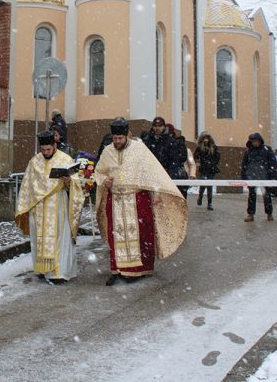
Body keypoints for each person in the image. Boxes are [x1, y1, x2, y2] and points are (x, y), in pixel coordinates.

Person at [95, 119, 188, 286]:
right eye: (115, 139)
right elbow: (99, 172)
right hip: (115, 199)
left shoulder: (139, 149)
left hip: (137, 198)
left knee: (141, 234)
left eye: (120, 139)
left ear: (127, 136)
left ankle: (138, 270)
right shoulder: (107, 150)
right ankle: (117, 269)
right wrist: (104, 181)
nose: (117, 142)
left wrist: (156, 192)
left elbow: (152, 172)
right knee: (115, 235)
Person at [15, 130, 85, 283]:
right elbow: (27, 185)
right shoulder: (34, 162)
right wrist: (24, 207)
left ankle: (59, 272)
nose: (46, 152)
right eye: (43, 150)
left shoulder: (65, 159)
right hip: (38, 207)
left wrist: (68, 181)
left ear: (54, 145)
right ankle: (43, 269)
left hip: (57, 204)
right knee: (38, 238)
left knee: (59, 237)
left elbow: (76, 185)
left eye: (48, 149)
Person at [241, 133, 277, 222]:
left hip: (264, 177)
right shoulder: (248, 151)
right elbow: (244, 165)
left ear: (260, 141)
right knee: (251, 196)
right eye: (253, 141)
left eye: (256, 141)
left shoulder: (267, 150)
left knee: (266, 195)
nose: (255, 143)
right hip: (251, 177)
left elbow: (273, 163)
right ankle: (250, 214)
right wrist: (244, 177)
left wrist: (272, 176)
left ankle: (269, 214)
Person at [194, 132, 221, 210]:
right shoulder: (199, 148)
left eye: (207, 138)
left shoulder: (214, 147)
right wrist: (199, 162)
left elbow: (217, 157)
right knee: (202, 185)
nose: (206, 140)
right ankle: (200, 197)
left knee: (210, 186)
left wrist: (212, 164)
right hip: (203, 169)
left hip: (211, 170)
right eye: (204, 138)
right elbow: (196, 156)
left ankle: (209, 203)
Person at [168, 124, 192, 198]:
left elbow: (188, 160)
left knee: (180, 195)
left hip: (178, 173)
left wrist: (192, 174)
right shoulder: (162, 143)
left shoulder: (179, 143)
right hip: (173, 172)